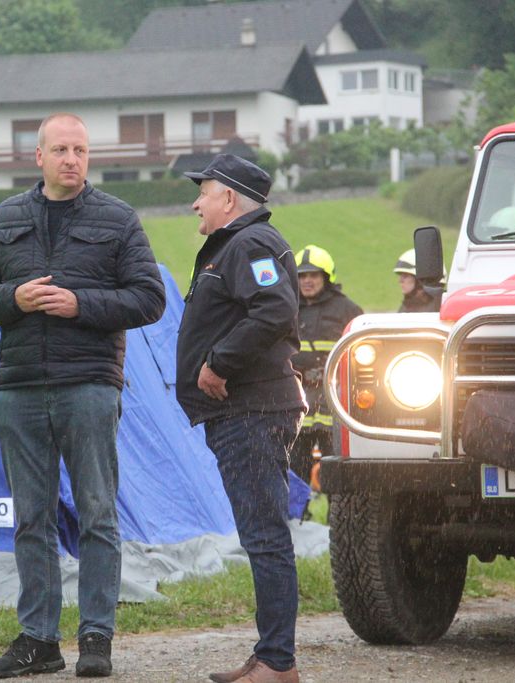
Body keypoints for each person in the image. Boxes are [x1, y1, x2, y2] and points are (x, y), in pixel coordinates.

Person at [0, 113, 165, 679]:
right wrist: (15, 298)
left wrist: (82, 305)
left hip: (90, 385)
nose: (71, 159)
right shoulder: (6, 217)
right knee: (31, 518)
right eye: (60, 149)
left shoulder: (118, 218)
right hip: (19, 387)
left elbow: (150, 298)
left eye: (80, 149)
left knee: (97, 512)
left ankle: (96, 638)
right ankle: (39, 641)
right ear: (39, 157)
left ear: (88, 156)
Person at [176, 154, 306, 683]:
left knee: (265, 536)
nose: (195, 204)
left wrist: (218, 362)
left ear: (228, 198)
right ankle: (270, 656)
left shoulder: (250, 243)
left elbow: (275, 308)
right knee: (261, 534)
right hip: (244, 411)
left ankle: (276, 662)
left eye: (203, 193)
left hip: (251, 410)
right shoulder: (236, 246)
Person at [291, 245, 363, 485]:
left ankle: (338, 508)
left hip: (334, 402)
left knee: (337, 470)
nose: (307, 281)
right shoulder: (287, 308)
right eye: (302, 275)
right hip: (297, 403)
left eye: (313, 275)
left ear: (326, 277)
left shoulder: (347, 310)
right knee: (294, 470)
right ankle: (298, 508)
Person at [394, 249, 443, 313]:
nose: (400, 281)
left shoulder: (440, 306)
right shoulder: (406, 307)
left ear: (420, 280)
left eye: (405, 276)